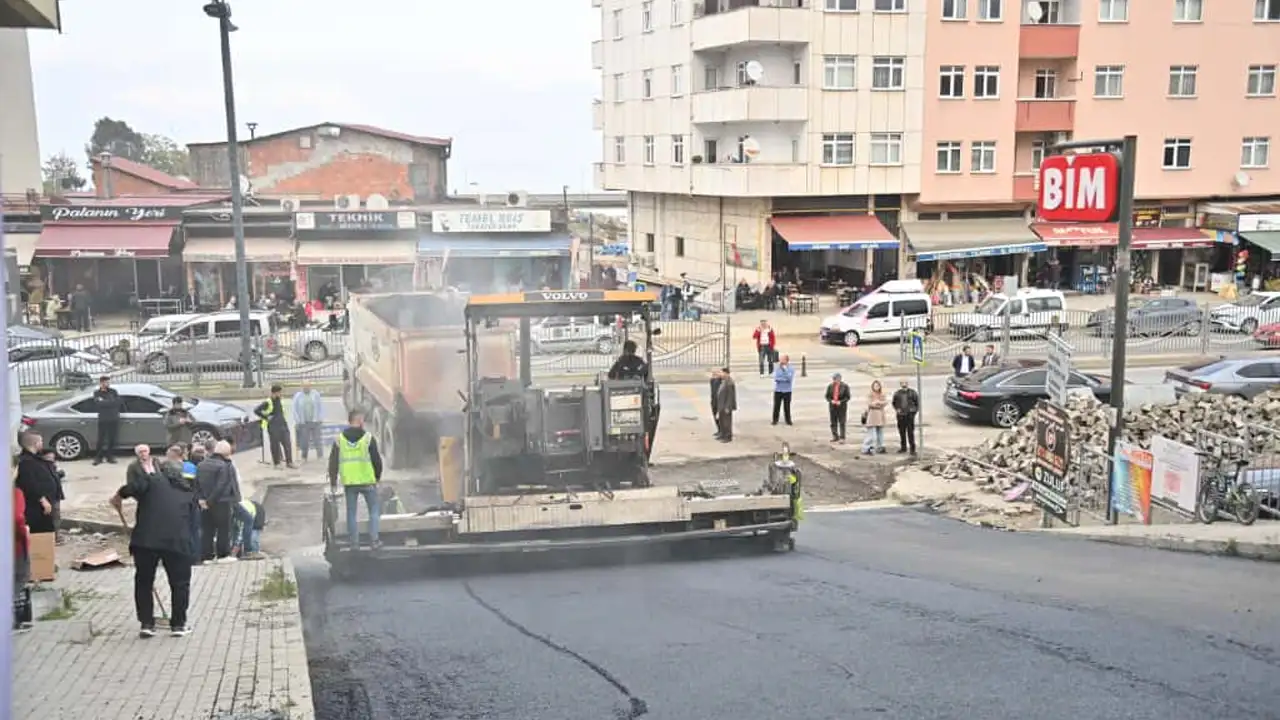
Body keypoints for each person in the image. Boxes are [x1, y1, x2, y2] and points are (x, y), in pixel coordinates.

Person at [109, 448, 198, 638]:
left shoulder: (153, 480)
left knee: (143, 581)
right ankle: (178, 625)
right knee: (180, 584)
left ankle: (147, 624)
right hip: (177, 542)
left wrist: (118, 496)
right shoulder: (189, 492)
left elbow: (133, 487)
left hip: (146, 541)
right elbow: (194, 523)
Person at [328, 410, 384, 550]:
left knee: (351, 513)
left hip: (350, 483)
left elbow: (332, 463)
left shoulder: (339, 440)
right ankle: (374, 541)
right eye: (362, 419)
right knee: (373, 511)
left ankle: (354, 543)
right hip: (368, 482)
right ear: (359, 420)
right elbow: (377, 460)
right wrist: (377, 477)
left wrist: (333, 482)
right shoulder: (368, 438)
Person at [195, 441, 240, 562]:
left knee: (207, 530)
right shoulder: (224, 466)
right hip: (222, 502)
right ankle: (223, 555)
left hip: (204, 503)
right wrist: (210, 501)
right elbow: (221, 486)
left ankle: (207, 556)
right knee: (223, 529)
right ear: (227, 453)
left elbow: (197, 484)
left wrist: (202, 500)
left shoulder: (201, 464)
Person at [15, 433, 57, 536]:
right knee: (41, 531)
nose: (42, 444)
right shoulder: (26, 462)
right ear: (35, 443)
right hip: (36, 506)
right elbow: (29, 483)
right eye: (41, 441)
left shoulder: (35, 459)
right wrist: (42, 499)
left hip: (44, 502)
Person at [254, 384, 295, 469]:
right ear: (274, 393)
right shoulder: (268, 402)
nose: (281, 394)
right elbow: (256, 410)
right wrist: (266, 417)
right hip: (273, 427)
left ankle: (289, 462)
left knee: (287, 443)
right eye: (279, 392)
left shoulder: (280, 400)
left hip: (283, 425)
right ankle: (277, 463)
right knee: (275, 445)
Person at [13, 463, 33, 633]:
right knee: (19, 579)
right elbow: (18, 517)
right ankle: (14, 618)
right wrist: (24, 531)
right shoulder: (15, 494)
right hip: (15, 545)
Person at [92, 376, 122, 465]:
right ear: (101, 383)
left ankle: (110, 456)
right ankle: (98, 457)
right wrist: (110, 402)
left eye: (108, 382)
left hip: (113, 418)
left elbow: (117, 402)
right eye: (106, 382)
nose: (108, 384)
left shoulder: (113, 391)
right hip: (103, 419)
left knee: (112, 438)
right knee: (101, 439)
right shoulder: (97, 393)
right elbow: (98, 404)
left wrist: (105, 402)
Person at [292, 381, 325, 462]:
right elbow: (294, 409)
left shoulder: (315, 394)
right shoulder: (298, 396)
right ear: (302, 386)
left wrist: (320, 418)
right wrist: (298, 420)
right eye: (304, 386)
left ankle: (320, 456)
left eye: (308, 386)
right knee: (304, 441)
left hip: (315, 421)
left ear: (310, 386)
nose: (306, 388)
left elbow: (320, 407)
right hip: (304, 422)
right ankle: (304, 457)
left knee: (317, 440)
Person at [37, 448, 65, 541]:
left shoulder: (53, 466)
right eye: (48, 457)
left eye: (52, 456)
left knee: (56, 516)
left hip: (56, 495)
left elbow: (57, 477)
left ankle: (56, 535)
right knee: (52, 517)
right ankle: (53, 537)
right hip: (48, 496)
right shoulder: (42, 467)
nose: (51, 459)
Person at [892, 379, 920, 456]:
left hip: (910, 415)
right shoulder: (897, 393)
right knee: (902, 432)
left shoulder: (912, 392)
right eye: (902, 383)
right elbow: (894, 403)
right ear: (900, 384)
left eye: (905, 383)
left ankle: (912, 449)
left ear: (907, 384)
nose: (904, 384)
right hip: (901, 416)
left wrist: (913, 412)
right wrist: (897, 409)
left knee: (910, 432)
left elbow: (917, 403)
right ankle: (903, 447)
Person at [861, 380, 888, 455]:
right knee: (871, 434)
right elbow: (870, 404)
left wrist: (878, 402)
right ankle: (866, 448)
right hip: (872, 416)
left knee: (880, 433)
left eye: (878, 386)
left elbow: (885, 402)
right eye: (875, 386)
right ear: (872, 387)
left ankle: (880, 447)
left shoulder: (882, 394)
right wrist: (877, 403)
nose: (876, 387)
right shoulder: (870, 394)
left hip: (880, 416)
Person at [825, 373, 851, 443]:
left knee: (842, 422)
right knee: (833, 422)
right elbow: (827, 396)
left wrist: (841, 401)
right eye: (835, 379)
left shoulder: (845, 386)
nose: (836, 380)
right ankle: (835, 436)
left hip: (841, 407)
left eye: (837, 379)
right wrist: (831, 401)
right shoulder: (830, 386)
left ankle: (842, 437)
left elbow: (848, 397)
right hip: (833, 407)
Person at [771, 354, 795, 426]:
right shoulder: (777, 367)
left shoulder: (791, 368)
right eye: (780, 359)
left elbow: (790, 379)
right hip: (778, 390)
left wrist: (785, 370)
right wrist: (784, 379)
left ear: (786, 360)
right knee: (776, 406)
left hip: (787, 391)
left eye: (782, 359)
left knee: (787, 406)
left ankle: (788, 420)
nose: (780, 361)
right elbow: (776, 378)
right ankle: (775, 420)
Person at [714, 367, 736, 442]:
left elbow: (730, 396)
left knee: (727, 422)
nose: (721, 374)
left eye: (722, 373)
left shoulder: (729, 382)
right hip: (722, 405)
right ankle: (723, 434)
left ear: (726, 373)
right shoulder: (724, 381)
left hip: (726, 406)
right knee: (722, 421)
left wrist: (728, 407)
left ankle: (728, 436)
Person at [709, 368, 723, 437]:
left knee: (720, 418)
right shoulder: (712, 380)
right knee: (715, 417)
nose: (714, 374)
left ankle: (722, 431)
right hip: (714, 401)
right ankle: (719, 430)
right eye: (713, 373)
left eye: (716, 373)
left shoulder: (722, 381)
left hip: (719, 402)